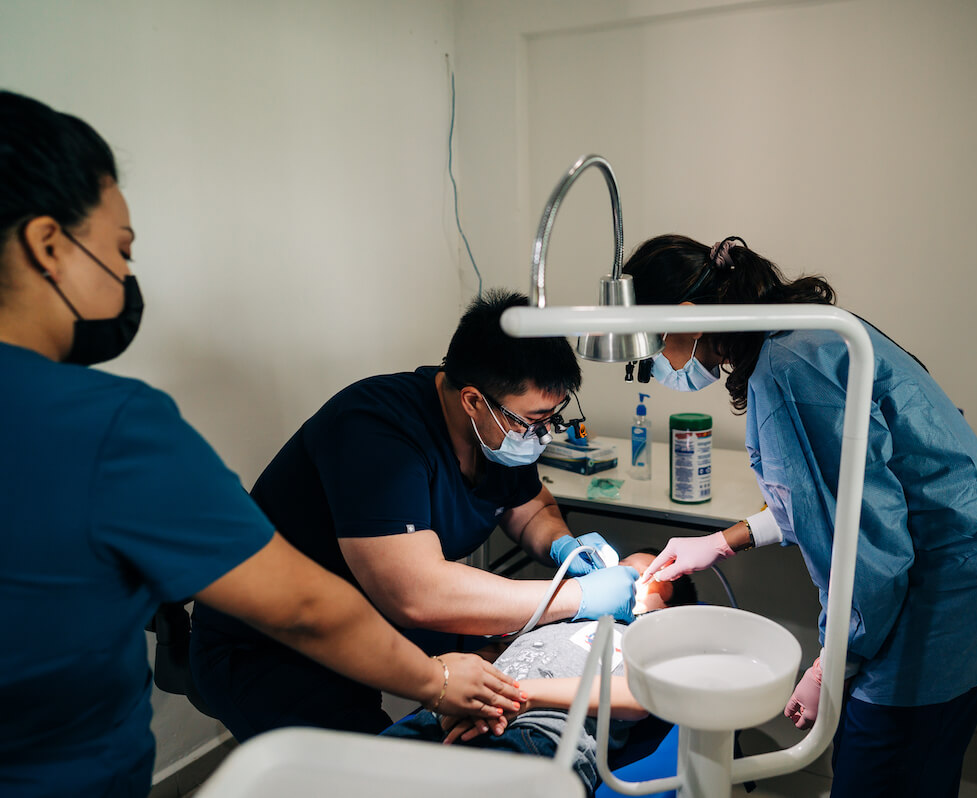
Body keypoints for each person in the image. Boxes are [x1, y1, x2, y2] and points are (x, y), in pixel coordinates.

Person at [0, 91, 521, 798]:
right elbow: (308, 607)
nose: (126, 277)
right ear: (49, 246)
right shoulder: (110, 428)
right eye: (120, 250)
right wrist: (441, 679)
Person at [626, 234, 977, 798]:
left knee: (882, 771)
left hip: (939, 597)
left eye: (651, 346)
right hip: (972, 568)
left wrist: (832, 664)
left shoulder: (787, 371)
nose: (654, 364)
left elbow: (864, 546)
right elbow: (818, 495)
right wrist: (724, 540)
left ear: (688, 317)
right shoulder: (802, 331)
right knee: (924, 771)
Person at [190, 289, 639, 740]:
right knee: (374, 767)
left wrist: (563, 545)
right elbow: (415, 593)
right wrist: (577, 596)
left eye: (553, 418)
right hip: (274, 644)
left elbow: (530, 507)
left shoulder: (498, 435)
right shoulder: (375, 430)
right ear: (473, 401)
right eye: (534, 421)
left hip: (369, 624)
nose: (543, 435)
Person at [381, 551, 697, 793]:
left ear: (667, 607)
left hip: (540, 732)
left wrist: (521, 697)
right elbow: (492, 654)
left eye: (640, 573)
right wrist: (449, 694)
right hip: (462, 714)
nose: (621, 576)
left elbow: (637, 696)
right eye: (618, 568)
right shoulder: (565, 610)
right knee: (370, 770)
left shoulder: (644, 637)